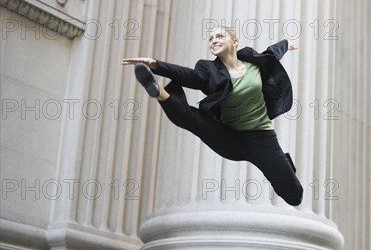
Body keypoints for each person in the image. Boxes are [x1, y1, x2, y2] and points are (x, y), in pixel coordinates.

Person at [122, 27, 303, 206]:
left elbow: (272, 53)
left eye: (219, 36)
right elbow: (190, 76)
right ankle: (158, 90)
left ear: (235, 42)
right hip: (227, 135)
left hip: (261, 137)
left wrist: (287, 43)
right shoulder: (209, 70)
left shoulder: (254, 62)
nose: (213, 40)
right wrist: (155, 64)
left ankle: (284, 165)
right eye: (210, 38)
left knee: (294, 195)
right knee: (193, 119)